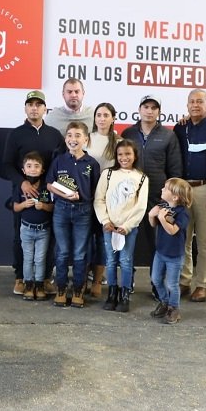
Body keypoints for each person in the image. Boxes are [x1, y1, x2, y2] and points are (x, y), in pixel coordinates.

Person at [3, 90, 65, 296]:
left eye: (38, 104)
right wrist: (22, 183)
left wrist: (47, 185)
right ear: (25, 108)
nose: (34, 108)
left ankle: (45, 277)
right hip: (22, 192)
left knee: (49, 236)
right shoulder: (16, 134)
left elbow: (59, 166)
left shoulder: (55, 135)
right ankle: (21, 277)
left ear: (45, 109)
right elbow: (7, 164)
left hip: (47, 192)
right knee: (20, 237)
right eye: (30, 104)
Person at [121, 94, 183, 296]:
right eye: (145, 107)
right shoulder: (128, 132)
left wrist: (170, 199)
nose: (149, 111)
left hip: (158, 198)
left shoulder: (168, 135)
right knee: (128, 242)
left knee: (157, 244)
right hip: (131, 197)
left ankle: (157, 285)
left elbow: (175, 170)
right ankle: (127, 283)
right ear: (139, 109)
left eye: (153, 108)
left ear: (159, 111)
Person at [172, 89, 206, 303]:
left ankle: (202, 284)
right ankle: (184, 281)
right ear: (187, 106)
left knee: (205, 240)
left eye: (200, 102)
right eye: (191, 102)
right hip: (183, 189)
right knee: (183, 238)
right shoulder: (180, 128)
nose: (195, 105)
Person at [47, 121, 101, 308]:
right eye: (70, 135)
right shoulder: (59, 160)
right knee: (62, 252)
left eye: (78, 135)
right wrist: (66, 195)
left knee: (79, 253)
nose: (73, 139)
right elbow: (49, 184)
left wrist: (80, 198)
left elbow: (95, 190)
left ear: (86, 139)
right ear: (65, 138)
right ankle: (61, 289)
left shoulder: (92, 164)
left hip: (83, 212)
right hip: (61, 210)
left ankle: (78, 289)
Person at [93, 139, 149, 313]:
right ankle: (112, 293)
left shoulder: (141, 178)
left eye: (128, 154)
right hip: (110, 226)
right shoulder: (108, 174)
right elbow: (99, 199)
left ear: (135, 156)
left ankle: (125, 295)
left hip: (128, 229)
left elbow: (141, 206)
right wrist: (105, 221)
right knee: (110, 261)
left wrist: (128, 225)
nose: (124, 158)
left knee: (125, 261)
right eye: (120, 154)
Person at [84, 102, 121, 298]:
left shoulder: (119, 142)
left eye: (106, 115)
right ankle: (82, 279)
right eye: (99, 114)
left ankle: (98, 280)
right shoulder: (86, 139)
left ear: (113, 118)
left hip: (107, 199)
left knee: (102, 240)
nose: (102, 118)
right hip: (84, 196)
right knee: (83, 240)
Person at [149, 178, 193, 324]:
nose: (162, 189)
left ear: (175, 197)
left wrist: (162, 218)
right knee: (156, 279)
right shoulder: (163, 206)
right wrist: (151, 215)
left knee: (172, 284)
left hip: (174, 255)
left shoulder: (183, 213)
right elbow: (153, 223)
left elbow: (173, 231)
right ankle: (164, 302)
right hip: (160, 252)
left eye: (166, 188)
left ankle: (174, 308)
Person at [12, 152, 55, 301]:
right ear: (23, 170)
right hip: (26, 229)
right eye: (29, 166)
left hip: (43, 230)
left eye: (36, 166)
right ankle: (28, 285)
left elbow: (51, 207)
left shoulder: (45, 188)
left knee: (40, 259)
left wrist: (43, 206)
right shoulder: (21, 187)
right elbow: (15, 207)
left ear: (42, 170)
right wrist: (24, 204)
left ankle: (39, 285)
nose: (32, 169)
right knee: (28, 258)